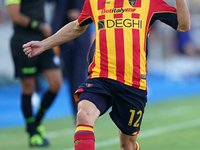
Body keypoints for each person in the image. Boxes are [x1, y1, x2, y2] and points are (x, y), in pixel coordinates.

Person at [23, 0, 190, 149]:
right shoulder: (95, 2)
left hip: (133, 84)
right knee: (83, 115)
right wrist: (44, 44)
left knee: (127, 144)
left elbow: (183, 26)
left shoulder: (149, 3)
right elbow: (77, 26)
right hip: (101, 77)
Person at [5, 0, 62, 147]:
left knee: (56, 83)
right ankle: (32, 133)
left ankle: (36, 122)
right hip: (23, 41)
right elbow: (15, 16)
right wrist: (40, 25)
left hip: (43, 42)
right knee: (28, 87)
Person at [47, 0, 91, 121]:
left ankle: (83, 112)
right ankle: (76, 113)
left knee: (79, 76)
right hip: (61, 36)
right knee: (71, 77)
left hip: (81, 35)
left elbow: (96, 5)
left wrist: (82, 14)